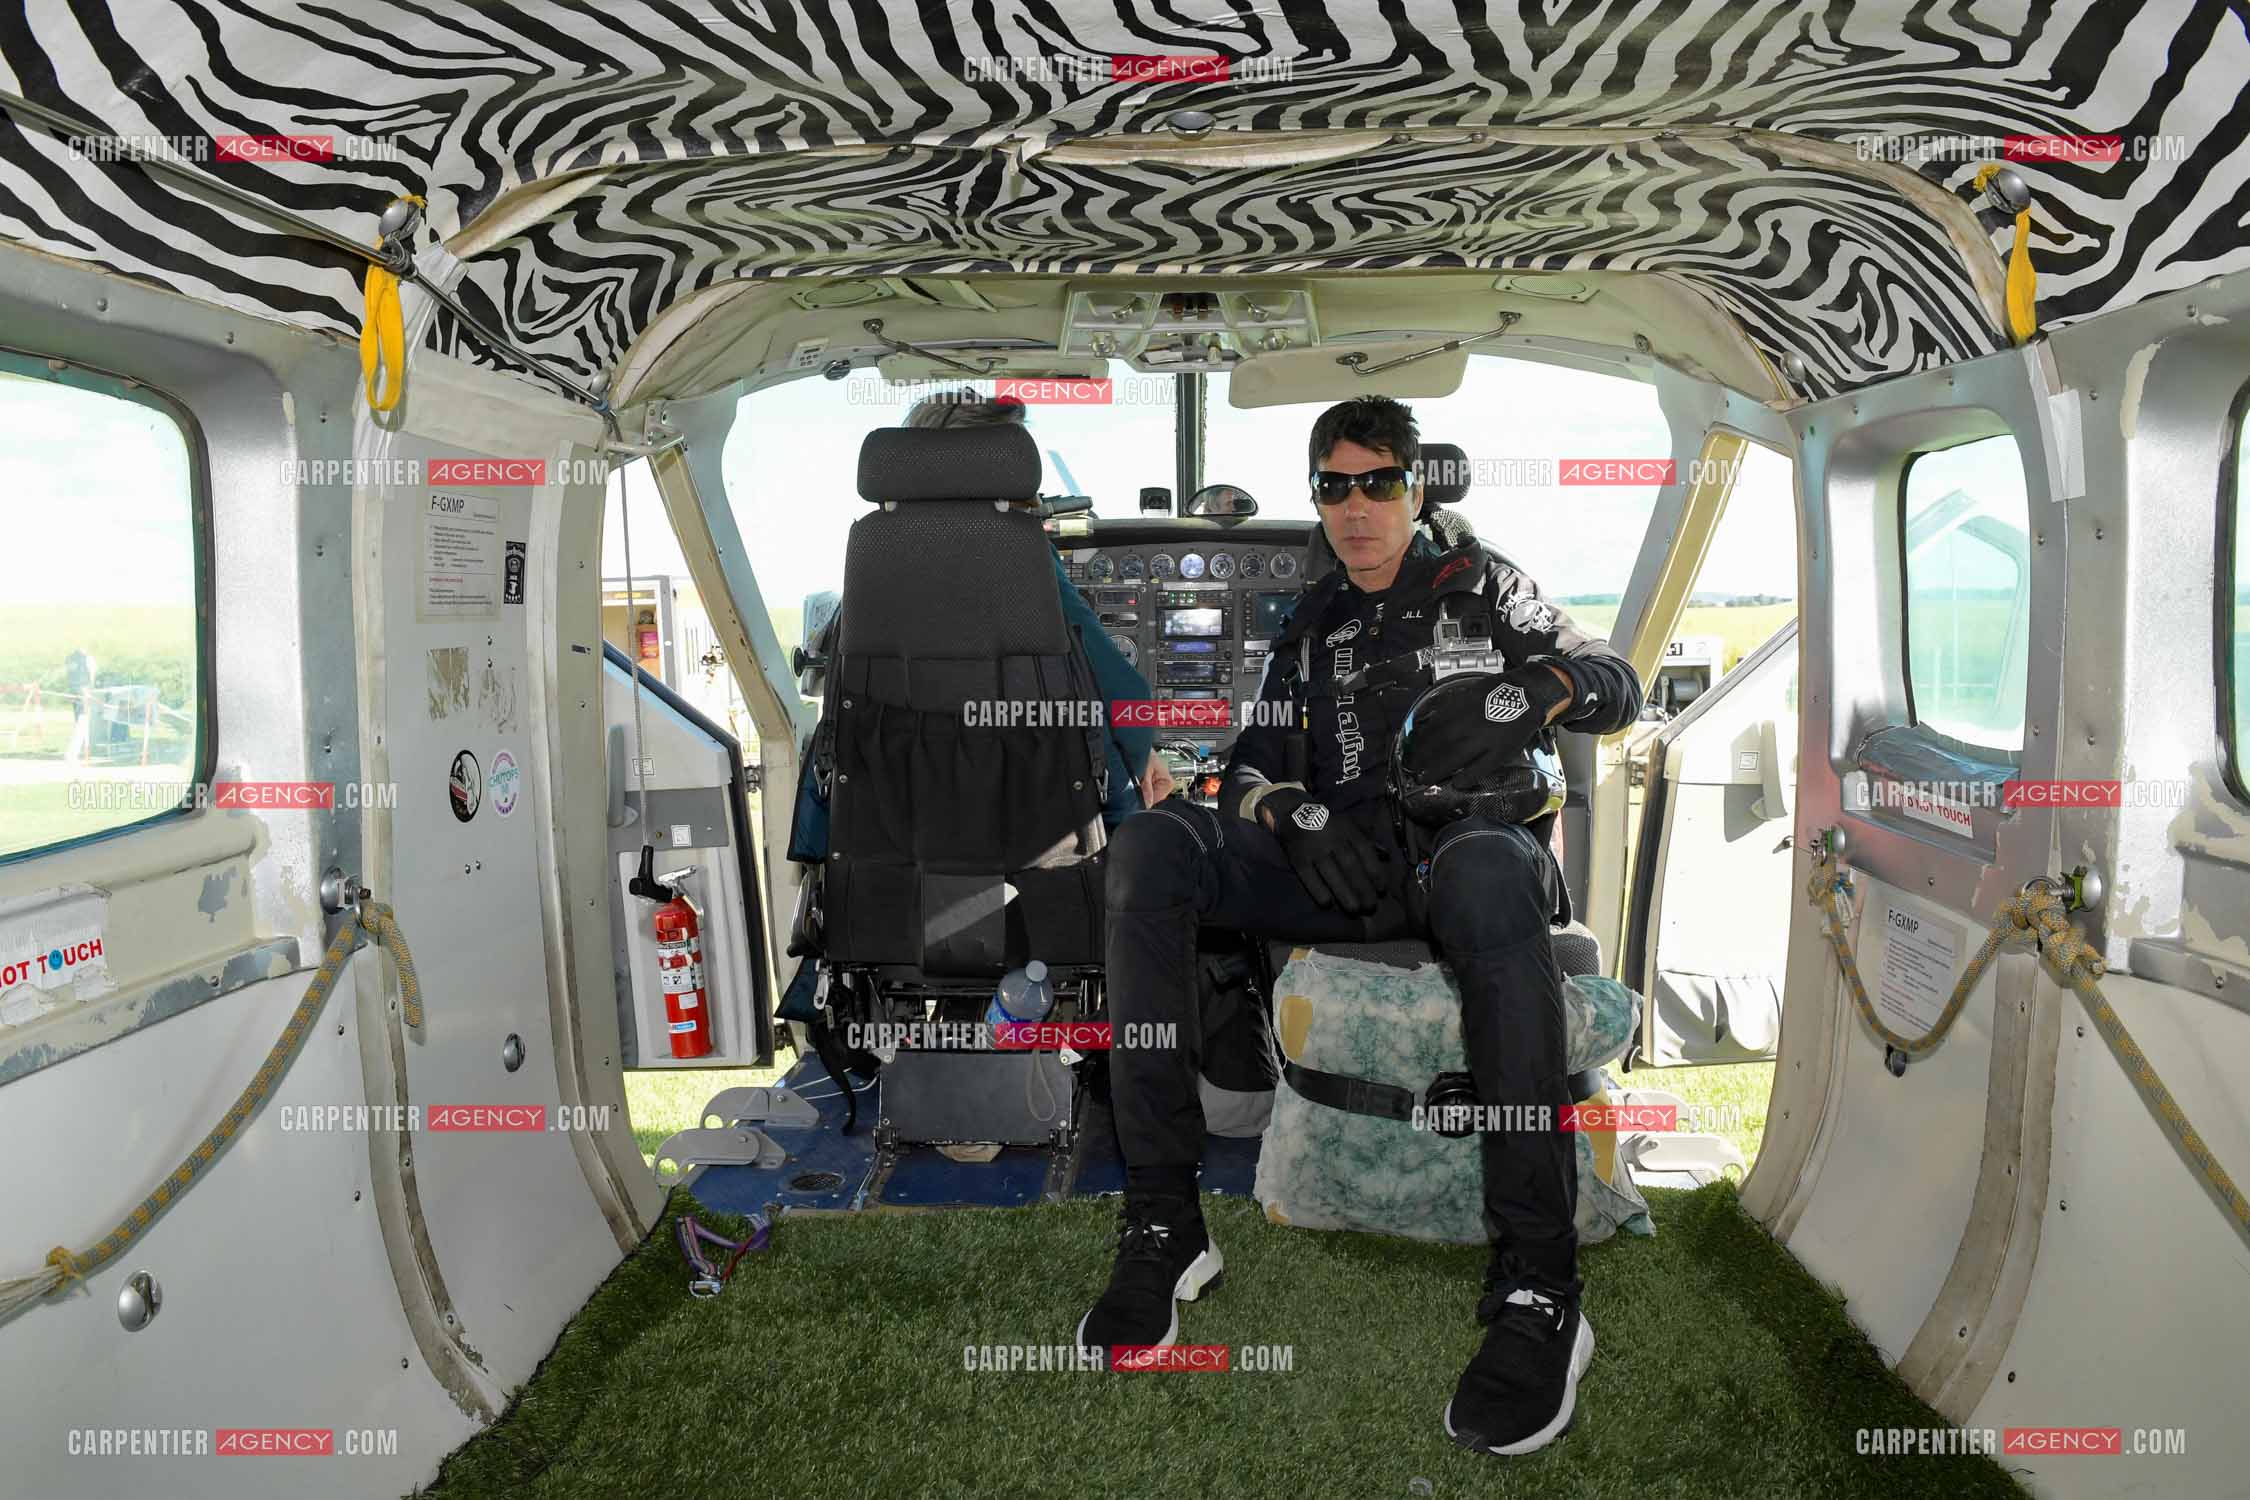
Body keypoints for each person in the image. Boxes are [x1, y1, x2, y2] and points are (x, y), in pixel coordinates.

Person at [1075, 395, 1643, 1457]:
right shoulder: (1315, 621)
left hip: (1467, 853)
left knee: (1479, 877)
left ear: (1417, 487)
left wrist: (1527, 697)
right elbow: (1248, 763)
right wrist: (1289, 814)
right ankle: (1164, 1221)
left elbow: (1618, 683)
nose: (1357, 506)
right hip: (1341, 862)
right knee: (1152, 847)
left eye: (1379, 481)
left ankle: (1538, 1286)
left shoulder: (1486, 586)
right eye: (1333, 486)